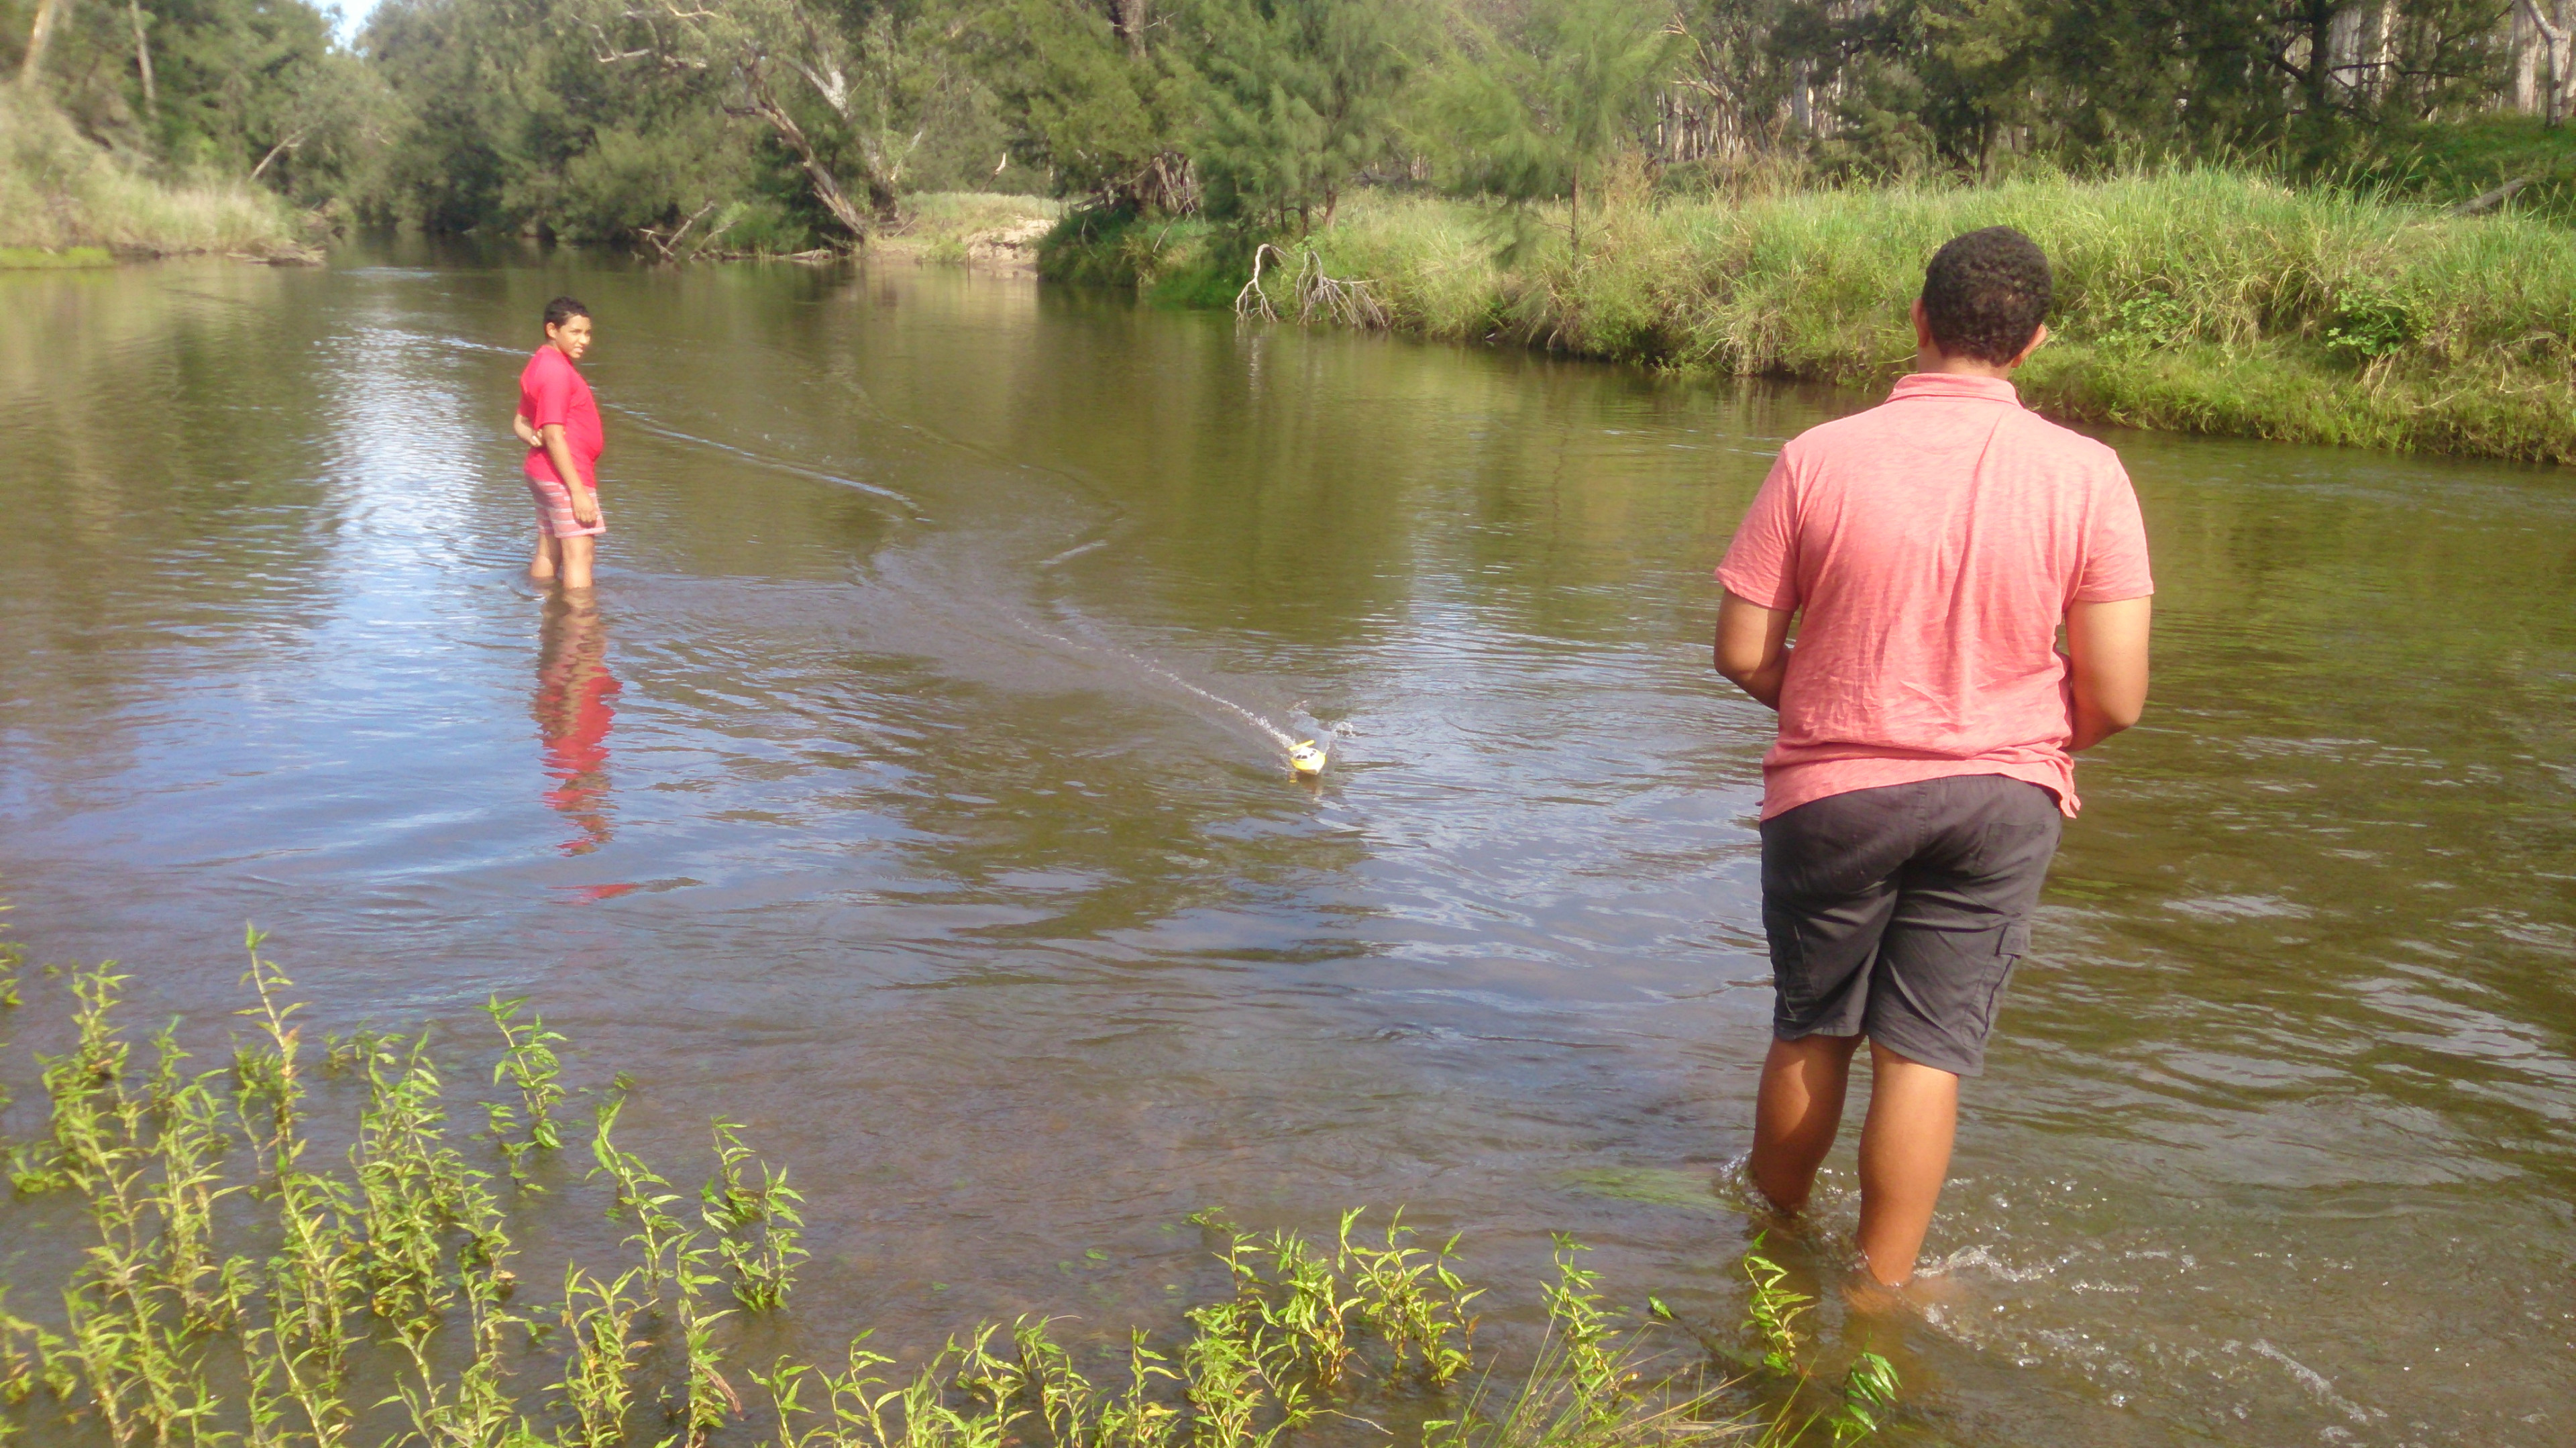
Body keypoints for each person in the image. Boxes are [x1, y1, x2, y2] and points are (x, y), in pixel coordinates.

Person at [1711, 226, 2153, 1290]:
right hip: (2001, 795)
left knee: (1812, 1027)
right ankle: (1881, 1296)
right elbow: (2121, 696)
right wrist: (2023, 744)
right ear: (2034, 342)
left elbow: (1740, 649)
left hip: (1834, 789)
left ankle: (1766, 1261)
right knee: (1924, 1052)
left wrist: (1831, 702)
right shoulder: (2089, 474)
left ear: (1918, 320)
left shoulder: (1816, 455)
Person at [513, 297, 605, 590]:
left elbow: (520, 421)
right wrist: (578, 493)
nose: (584, 341)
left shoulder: (541, 361)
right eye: (575, 332)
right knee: (580, 555)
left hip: (542, 472)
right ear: (552, 330)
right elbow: (553, 435)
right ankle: (580, 628)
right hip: (565, 475)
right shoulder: (556, 373)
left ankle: (547, 614)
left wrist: (530, 435)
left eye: (587, 333)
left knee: (549, 550)